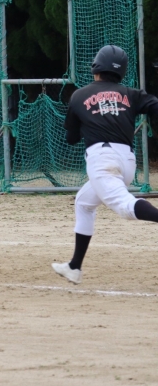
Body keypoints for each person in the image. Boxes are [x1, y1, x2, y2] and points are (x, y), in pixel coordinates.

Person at [52, 45, 158, 284]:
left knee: (124, 206)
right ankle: (74, 267)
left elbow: (71, 139)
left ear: (96, 67)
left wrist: (89, 123)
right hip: (126, 161)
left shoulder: (79, 96)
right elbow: (154, 105)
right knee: (84, 203)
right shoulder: (131, 94)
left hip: (102, 160)